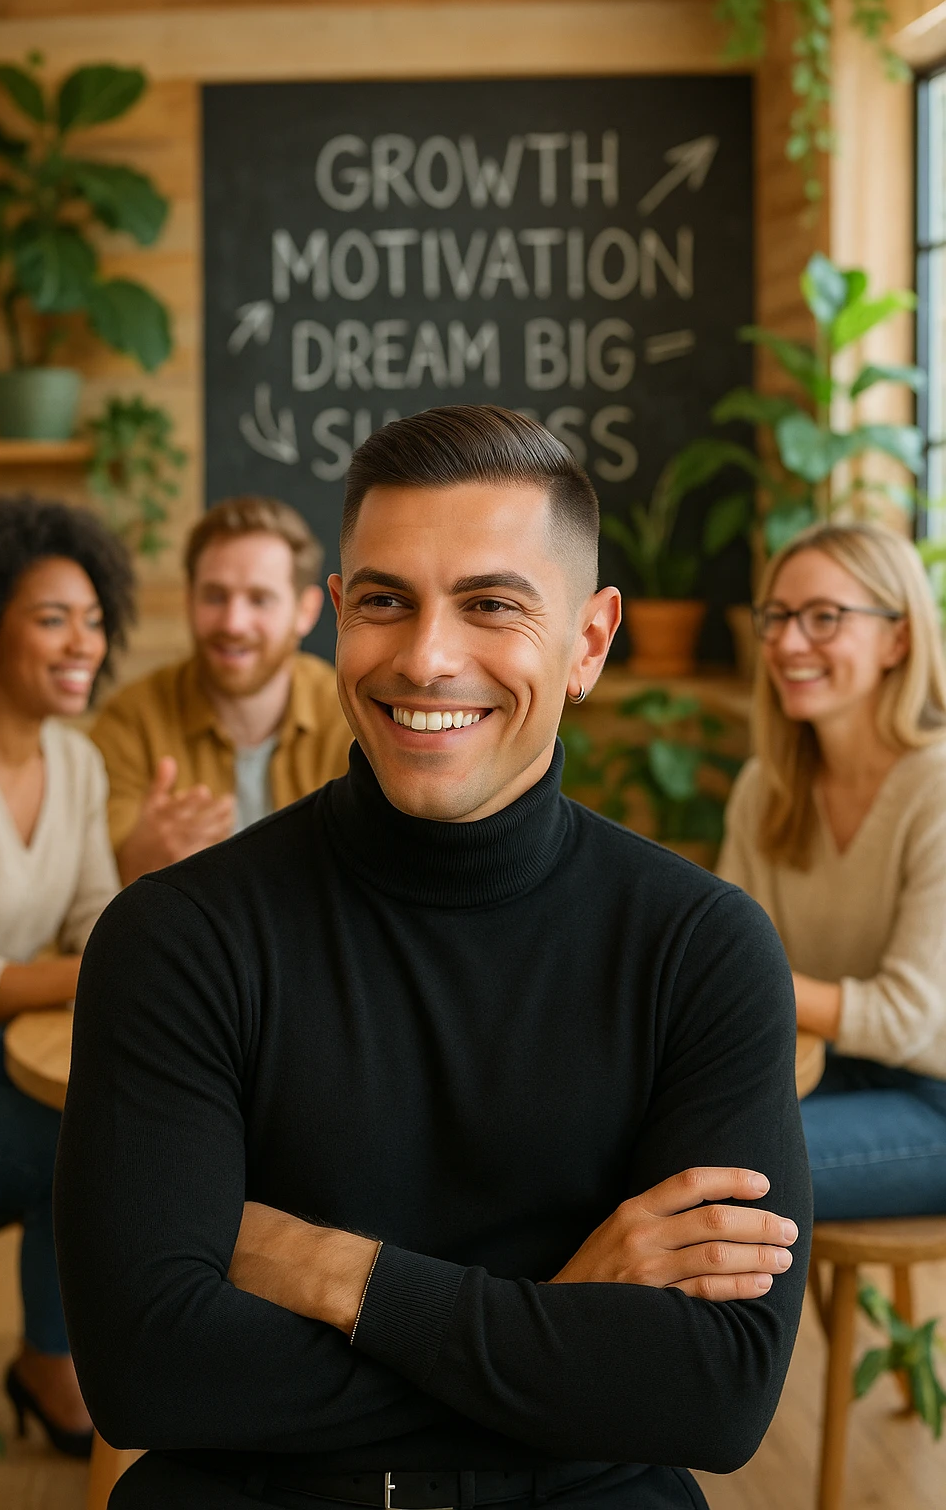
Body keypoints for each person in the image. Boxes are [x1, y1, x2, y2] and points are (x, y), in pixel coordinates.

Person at [55, 405, 811, 1510]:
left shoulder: (700, 947)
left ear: (587, 643)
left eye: (491, 604)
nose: (424, 658)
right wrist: (558, 1319)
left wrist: (335, 1274)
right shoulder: (177, 937)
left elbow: (714, 1395)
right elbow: (146, 1373)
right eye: (384, 602)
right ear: (336, 620)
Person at [0, 495, 134, 1455]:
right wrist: (102, 969)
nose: (81, 644)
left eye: (92, 621)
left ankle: (75, 1354)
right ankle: (52, 1364)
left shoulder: (77, 763)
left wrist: (112, 952)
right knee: (79, 1148)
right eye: (52, 620)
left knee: (120, 1113)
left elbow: (94, 922)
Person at [718, 519, 946, 1220]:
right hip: (823, 1072)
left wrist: (763, 984)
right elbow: (722, 957)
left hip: (933, 1101)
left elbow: (910, 1015)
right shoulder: (768, 787)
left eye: (824, 618)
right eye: (778, 617)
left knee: (711, 1171)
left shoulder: (936, 787)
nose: (787, 643)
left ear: (897, 639)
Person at [91, 496, 352, 884]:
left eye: (259, 599)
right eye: (215, 596)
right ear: (188, 599)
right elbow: (87, 889)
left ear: (307, 611)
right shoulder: (131, 721)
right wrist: (136, 860)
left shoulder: (352, 719)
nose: (233, 622)